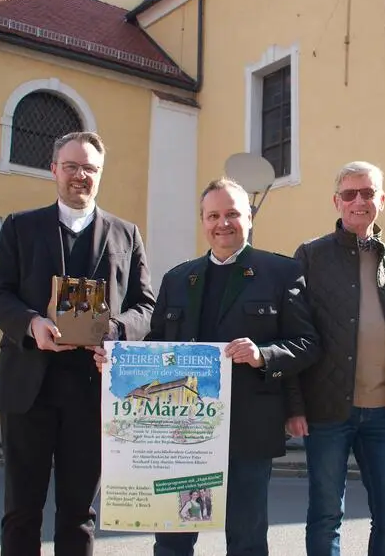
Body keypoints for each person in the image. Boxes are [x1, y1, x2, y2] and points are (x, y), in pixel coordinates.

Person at [95, 177, 319, 555]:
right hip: (182, 434)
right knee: (173, 537)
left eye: (232, 214)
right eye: (213, 215)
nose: (222, 223)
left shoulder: (281, 272)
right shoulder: (179, 278)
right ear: (202, 221)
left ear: (249, 217)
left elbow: (307, 343)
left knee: (246, 538)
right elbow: (156, 346)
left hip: (249, 429)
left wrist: (263, 355)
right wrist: (118, 364)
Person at [0, 131, 155, 556]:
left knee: (79, 514)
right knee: (21, 510)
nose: (81, 175)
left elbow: (146, 307)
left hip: (93, 391)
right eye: (72, 166)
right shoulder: (19, 227)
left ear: (100, 174)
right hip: (29, 388)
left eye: (89, 168)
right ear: (54, 170)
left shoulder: (126, 234)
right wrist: (32, 323)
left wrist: (116, 330)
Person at [284, 161, 385, 556]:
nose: (359, 201)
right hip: (326, 412)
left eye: (368, 193)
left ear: (382, 199)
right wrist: (294, 406)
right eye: (349, 194)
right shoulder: (310, 256)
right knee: (326, 515)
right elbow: (292, 334)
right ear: (337, 202)